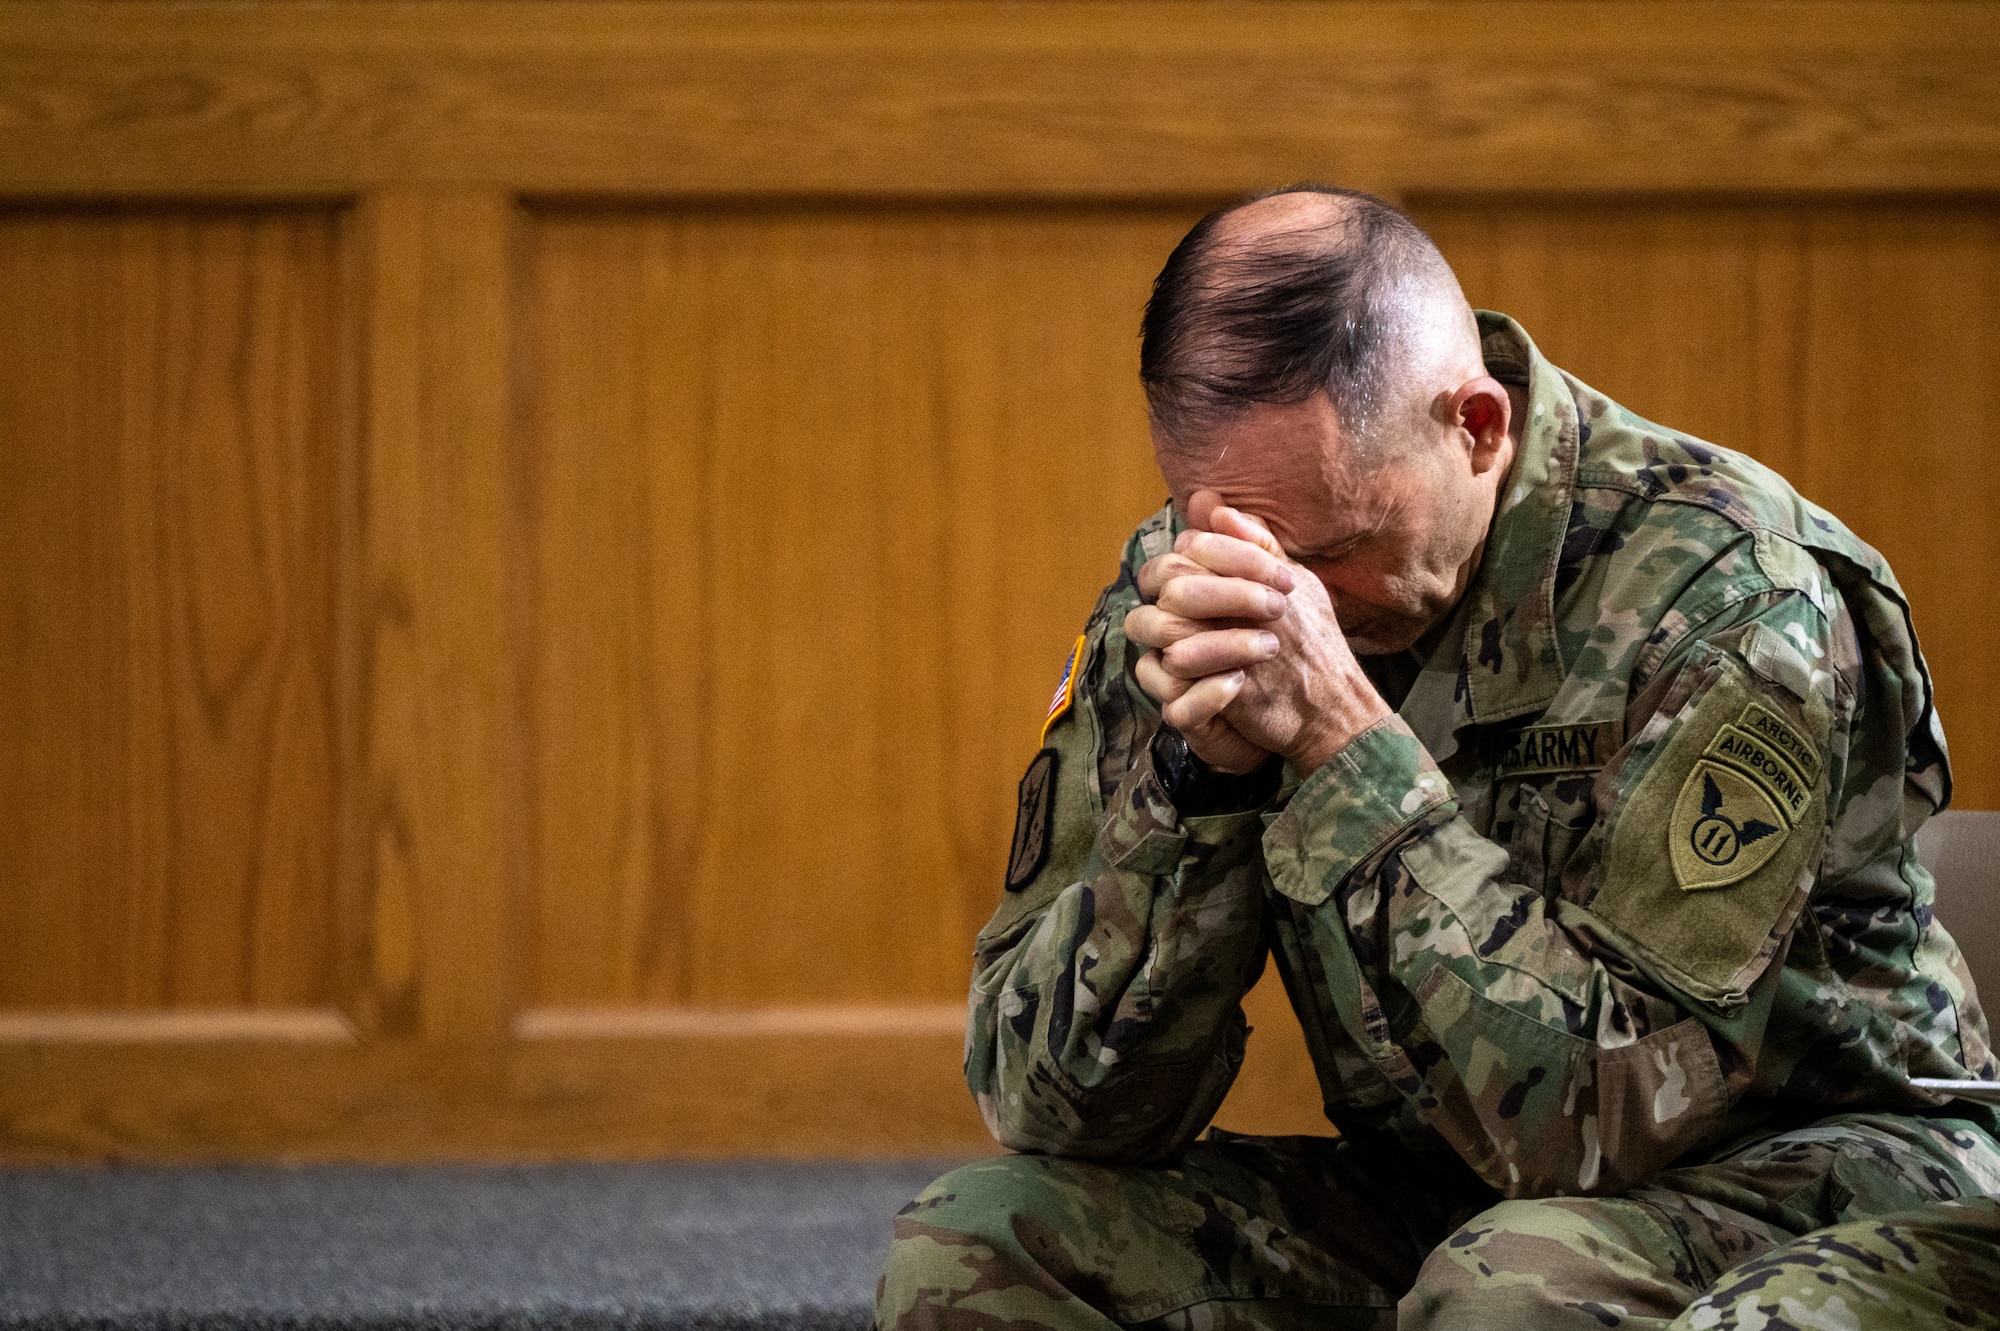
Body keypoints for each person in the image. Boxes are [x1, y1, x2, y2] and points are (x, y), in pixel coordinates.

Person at [874, 187, 2000, 1331]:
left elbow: (1605, 1111)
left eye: (1336, 549)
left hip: (1816, 1173)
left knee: (1511, 1285)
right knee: (980, 1241)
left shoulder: (1729, 593)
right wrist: (1195, 794)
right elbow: (1053, 1106)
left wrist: (1341, 744)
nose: (1290, 600)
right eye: (1228, 530)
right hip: (1455, 1181)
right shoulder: (1205, 586)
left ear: (1475, 425)